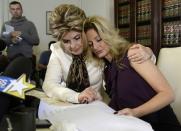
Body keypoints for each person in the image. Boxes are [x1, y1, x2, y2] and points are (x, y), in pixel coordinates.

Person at [83, 16, 181, 131]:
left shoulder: (133, 53)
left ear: (108, 35)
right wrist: (98, 99)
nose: (95, 47)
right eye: (90, 44)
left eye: (99, 39)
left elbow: (168, 94)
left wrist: (135, 112)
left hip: (157, 125)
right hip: (133, 125)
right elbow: (122, 101)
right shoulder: (108, 69)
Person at [42, 4, 152, 105]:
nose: (73, 46)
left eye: (77, 38)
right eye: (66, 41)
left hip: (99, 105)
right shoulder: (57, 50)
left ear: (84, 31)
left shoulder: (97, 47)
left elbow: (124, 55)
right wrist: (76, 96)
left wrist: (148, 51)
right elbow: (49, 85)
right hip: (70, 104)